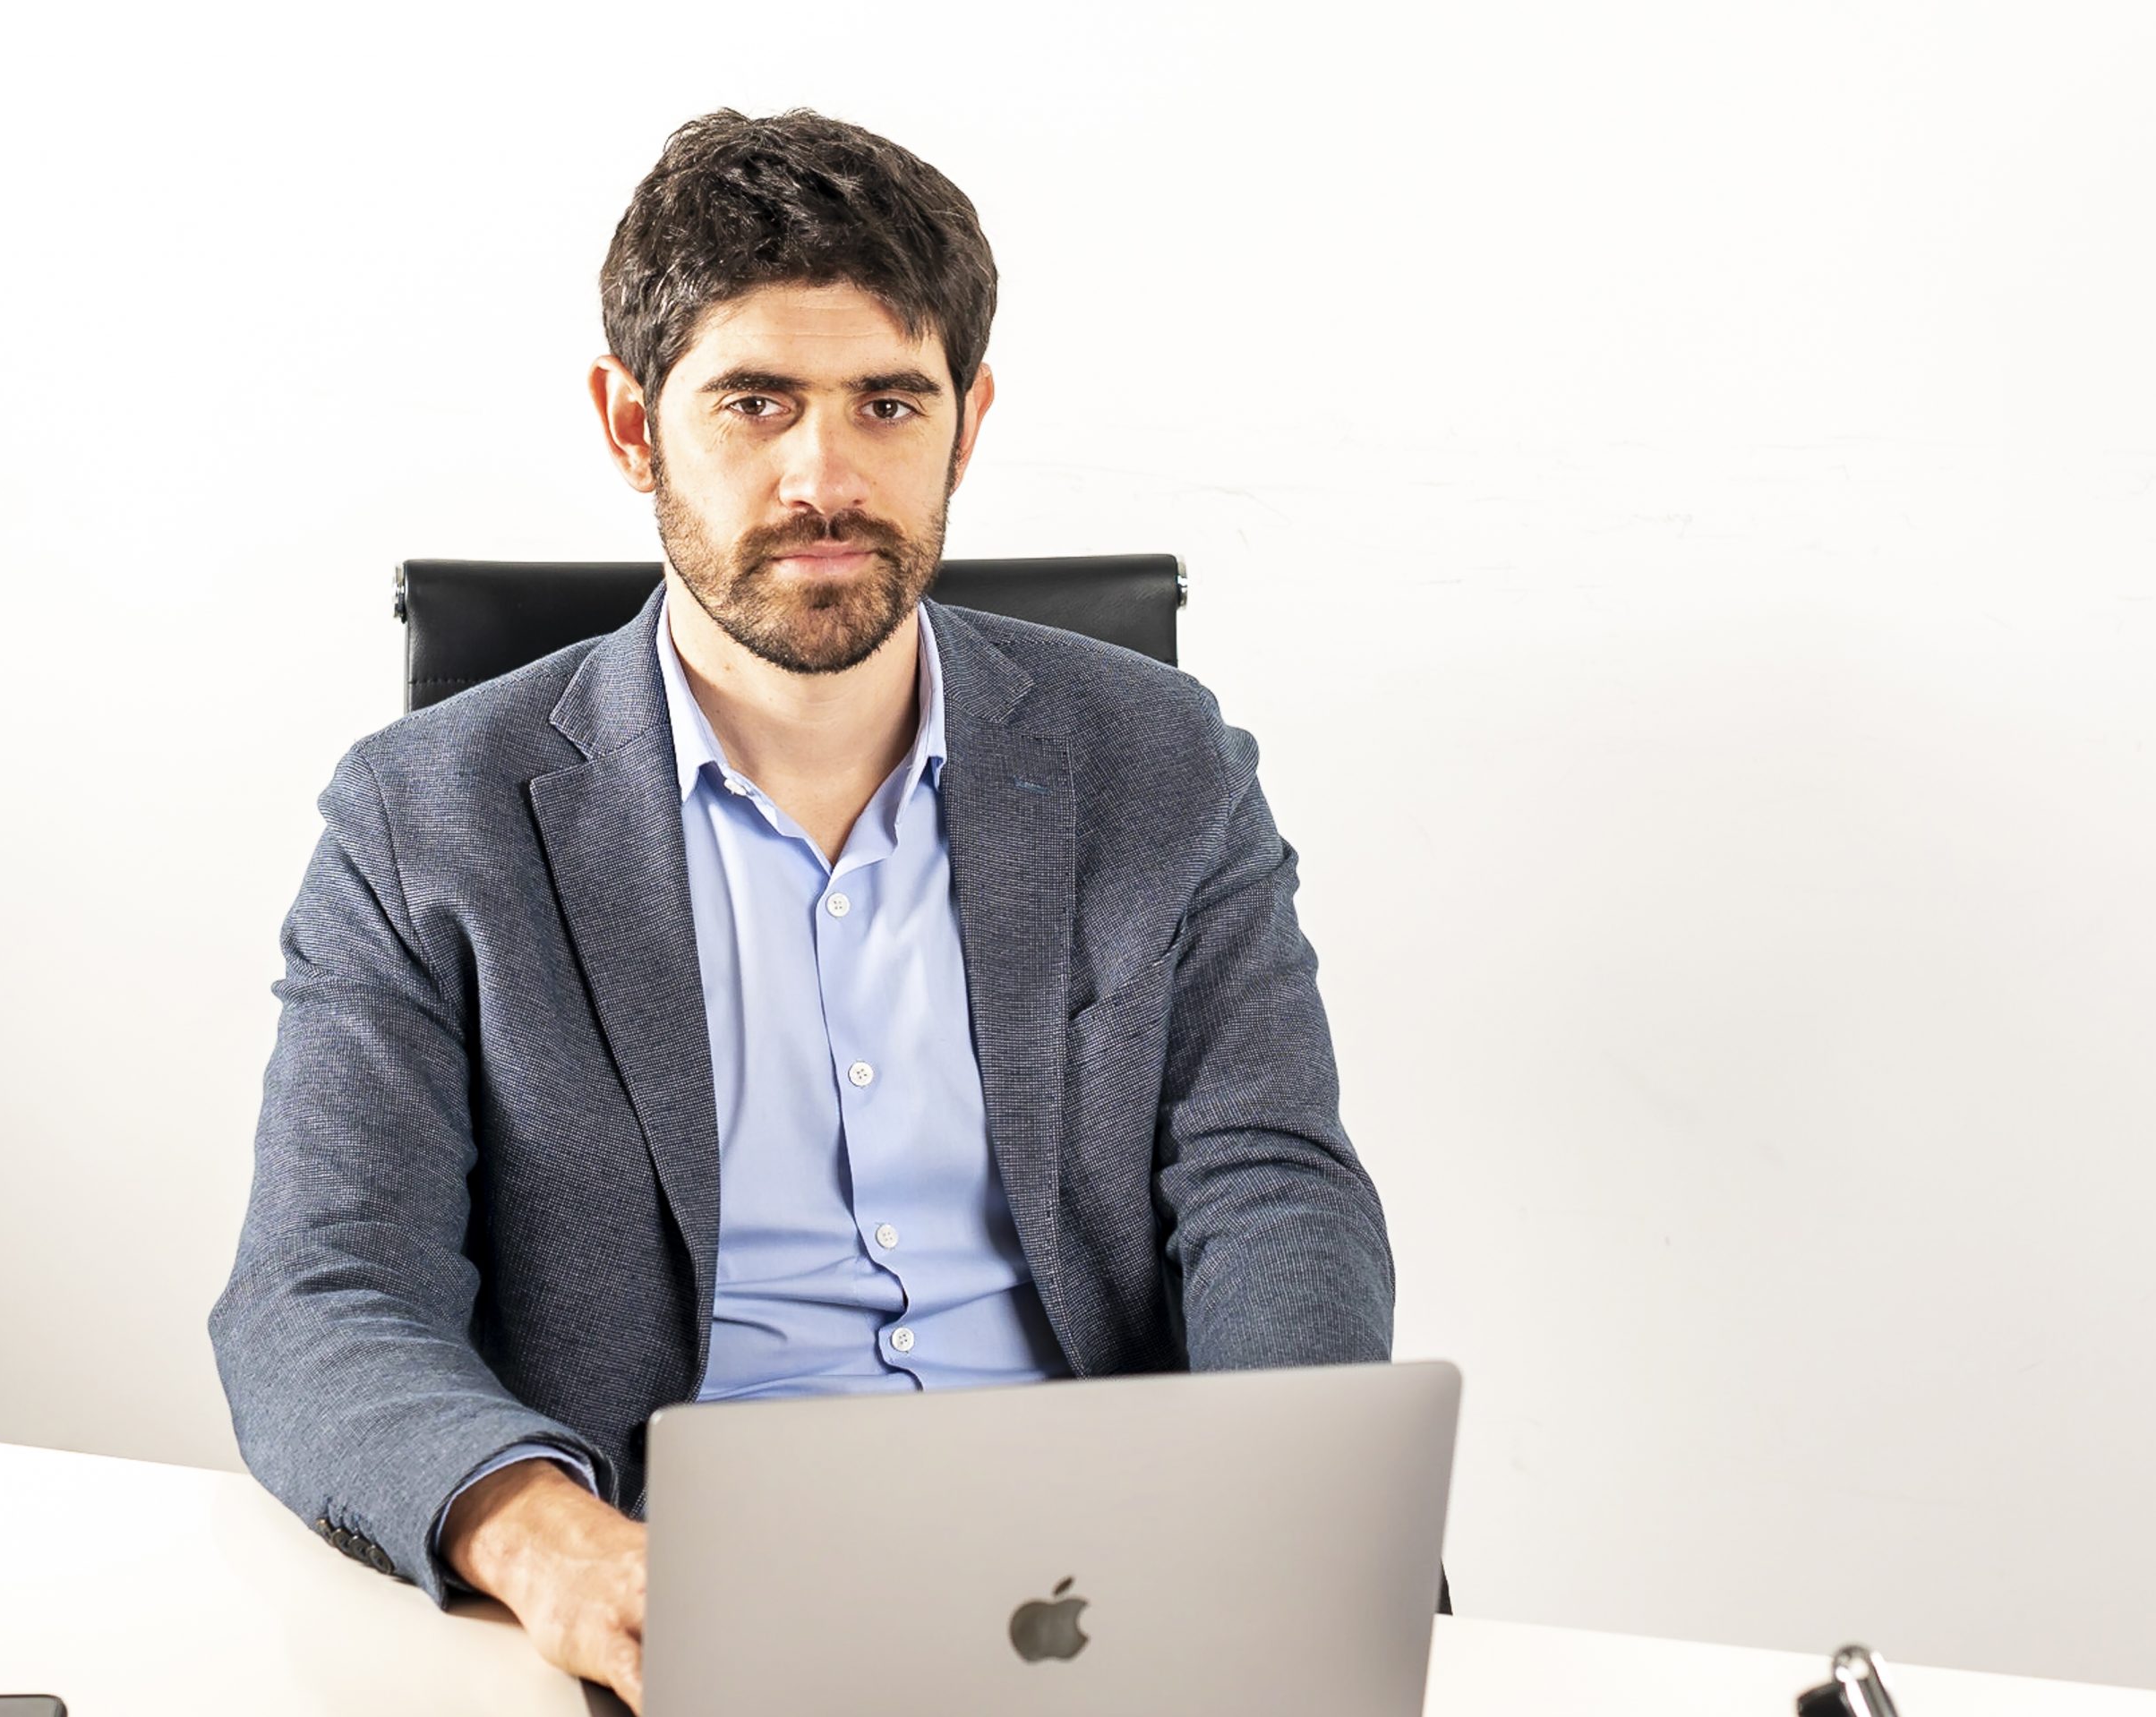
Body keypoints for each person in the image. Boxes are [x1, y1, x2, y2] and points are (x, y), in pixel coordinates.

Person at [210, 107, 1405, 1713]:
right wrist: (548, 1540)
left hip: (1096, 1594)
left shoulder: (1160, 761)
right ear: (632, 425)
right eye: (754, 401)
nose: (823, 479)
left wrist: (1273, 1509)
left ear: (966, 425)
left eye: (887, 403)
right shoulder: (425, 821)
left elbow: (1273, 1187)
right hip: (682, 1601)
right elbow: (322, 1292)